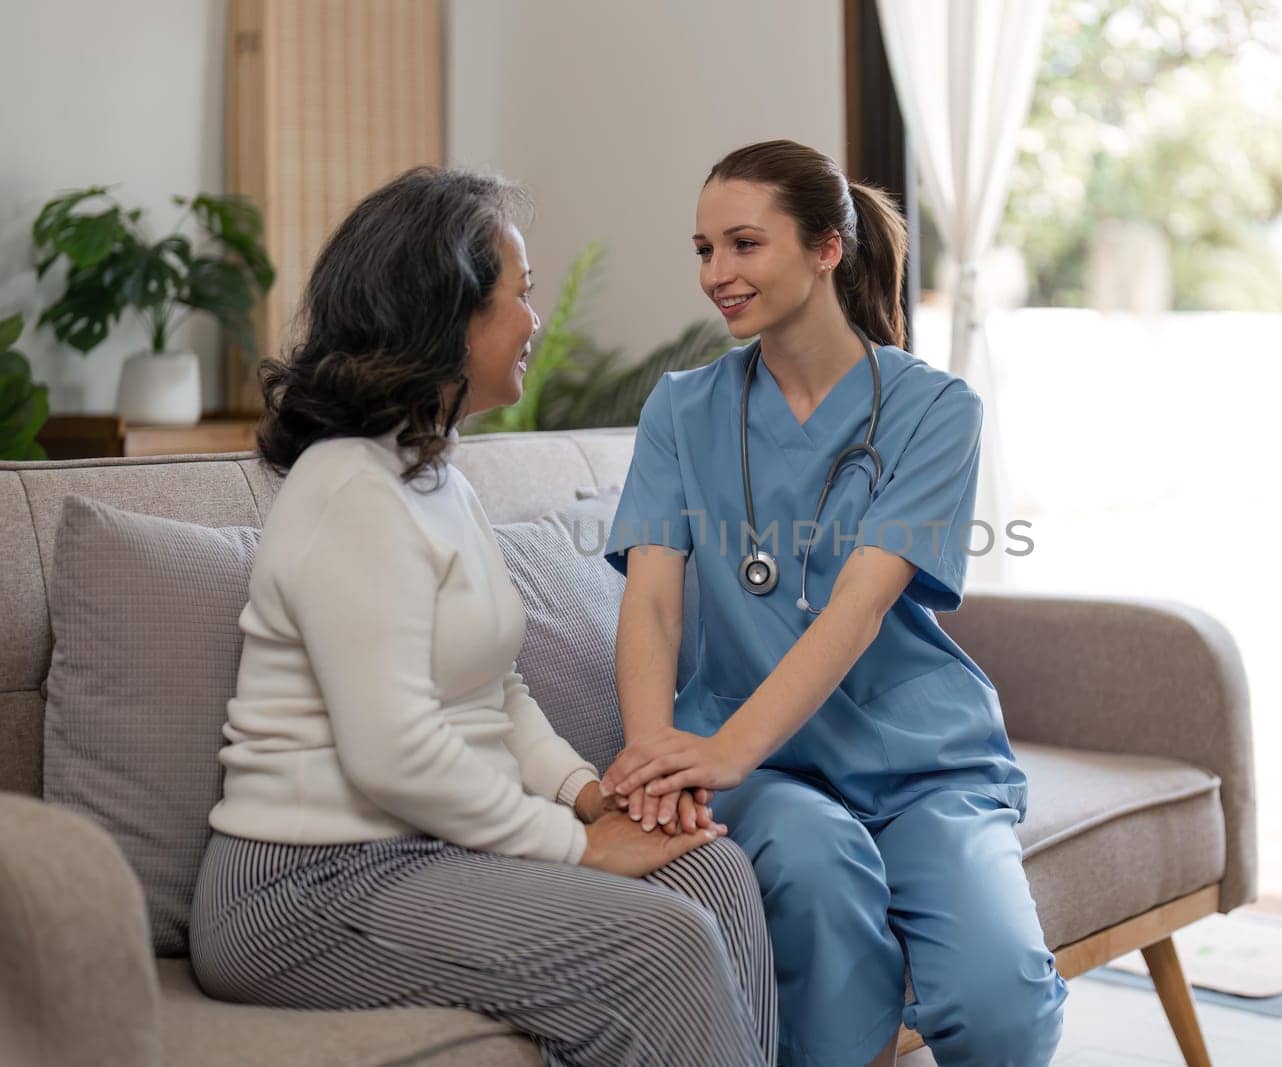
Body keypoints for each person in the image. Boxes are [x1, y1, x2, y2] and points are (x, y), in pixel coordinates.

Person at [189, 166, 777, 1067]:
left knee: (714, 870)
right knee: (664, 948)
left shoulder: (436, 477)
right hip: (302, 883)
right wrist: (575, 849)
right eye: (520, 294)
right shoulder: (349, 487)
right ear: (445, 314)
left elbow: (497, 692)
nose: (535, 321)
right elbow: (392, 749)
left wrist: (593, 796)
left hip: (426, 850)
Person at [599, 140, 1068, 1067]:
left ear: (827, 248)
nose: (717, 275)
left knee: (1000, 1003)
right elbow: (653, 605)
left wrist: (723, 750)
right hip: (770, 775)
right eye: (703, 250)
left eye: (743, 244)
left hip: (919, 758)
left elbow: (856, 608)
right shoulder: (681, 409)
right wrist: (657, 762)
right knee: (819, 891)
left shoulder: (936, 410)